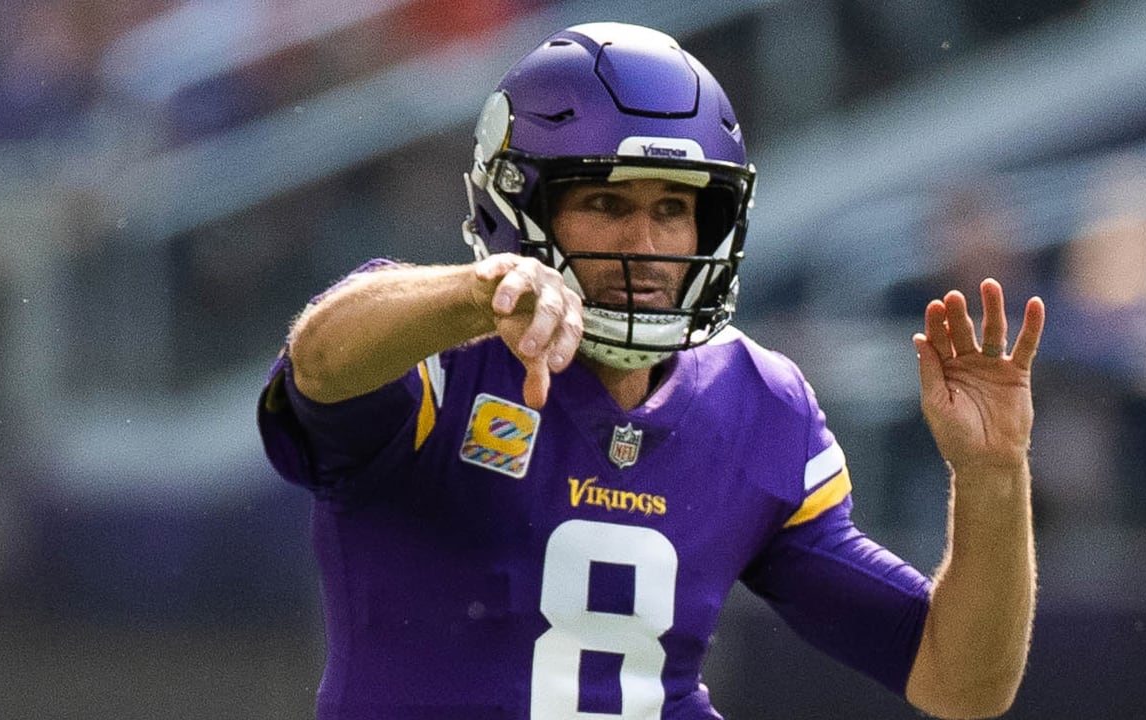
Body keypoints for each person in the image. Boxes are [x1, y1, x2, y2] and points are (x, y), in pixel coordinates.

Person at [258, 21, 1045, 720]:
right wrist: (475, 296)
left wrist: (992, 476)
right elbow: (323, 358)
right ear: (519, 205)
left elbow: (959, 682)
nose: (648, 240)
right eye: (606, 203)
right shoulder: (437, 341)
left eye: (674, 208)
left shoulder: (758, 402)